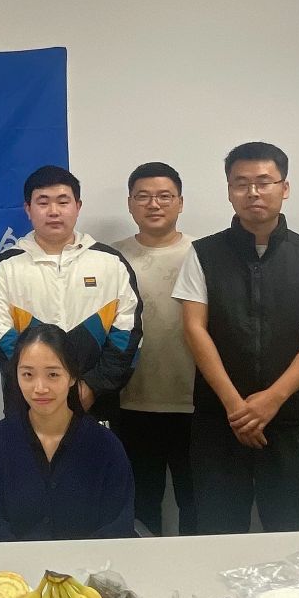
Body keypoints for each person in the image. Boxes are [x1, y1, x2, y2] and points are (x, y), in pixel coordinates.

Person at [176, 142, 299, 536]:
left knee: (295, 537)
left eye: (264, 182)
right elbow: (194, 330)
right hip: (220, 421)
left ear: (284, 188)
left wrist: (272, 399)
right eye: (241, 183)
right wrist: (236, 406)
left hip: (293, 420)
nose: (253, 192)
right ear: (229, 190)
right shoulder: (203, 254)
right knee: (217, 534)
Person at [0, 164, 141, 421]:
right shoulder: (6, 267)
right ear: (28, 209)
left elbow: (127, 332)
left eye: (63, 202)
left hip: (97, 402)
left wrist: (92, 386)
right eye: (43, 202)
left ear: (78, 206)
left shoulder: (110, 262)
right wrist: (38, 386)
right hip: (28, 403)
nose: (54, 211)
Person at [0, 322, 135, 541]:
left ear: (73, 377)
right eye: (28, 374)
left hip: (88, 563)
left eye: (53, 375)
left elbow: (117, 529)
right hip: (14, 563)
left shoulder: (105, 446)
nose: (40, 388)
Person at [109, 162, 197, 534]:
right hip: (131, 403)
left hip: (195, 404)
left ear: (180, 202)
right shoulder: (109, 258)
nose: (154, 204)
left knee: (198, 504)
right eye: (143, 196)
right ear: (130, 203)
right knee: (141, 507)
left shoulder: (202, 254)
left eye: (164, 196)